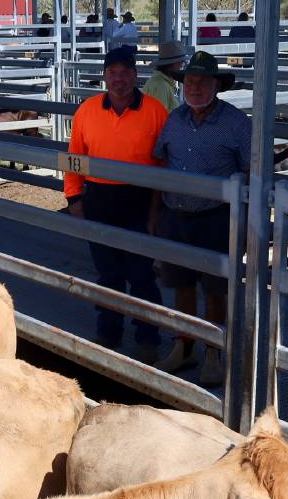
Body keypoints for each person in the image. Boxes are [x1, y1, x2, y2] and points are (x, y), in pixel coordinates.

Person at [151, 51, 250, 386]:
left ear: (216, 86)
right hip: (175, 215)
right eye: (190, 81)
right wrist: (156, 213)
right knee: (179, 283)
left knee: (215, 289)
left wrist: (245, 222)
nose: (194, 87)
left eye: (202, 82)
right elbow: (160, 162)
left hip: (216, 217)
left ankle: (213, 351)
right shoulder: (174, 120)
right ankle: (185, 345)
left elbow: (250, 173)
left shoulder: (236, 123)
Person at [64, 47, 168, 361]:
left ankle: (148, 337)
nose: (119, 79)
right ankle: (109, 332)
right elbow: (74, 158)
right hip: (99, 200)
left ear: (136, 75)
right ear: (105, 75)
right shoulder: (87, 110)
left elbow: (163, 166)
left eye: (125, 72)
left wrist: (155, 211)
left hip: (139, 201)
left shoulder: (155, 110)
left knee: (141, 275)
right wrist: (74, 198)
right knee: (108, 273)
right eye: (113, 72)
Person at [142, 40, 185, 112]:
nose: (181, 65)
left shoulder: (159, 82)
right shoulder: (161, 86)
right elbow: (159, 118)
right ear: (172, 64)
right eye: (180, 62)